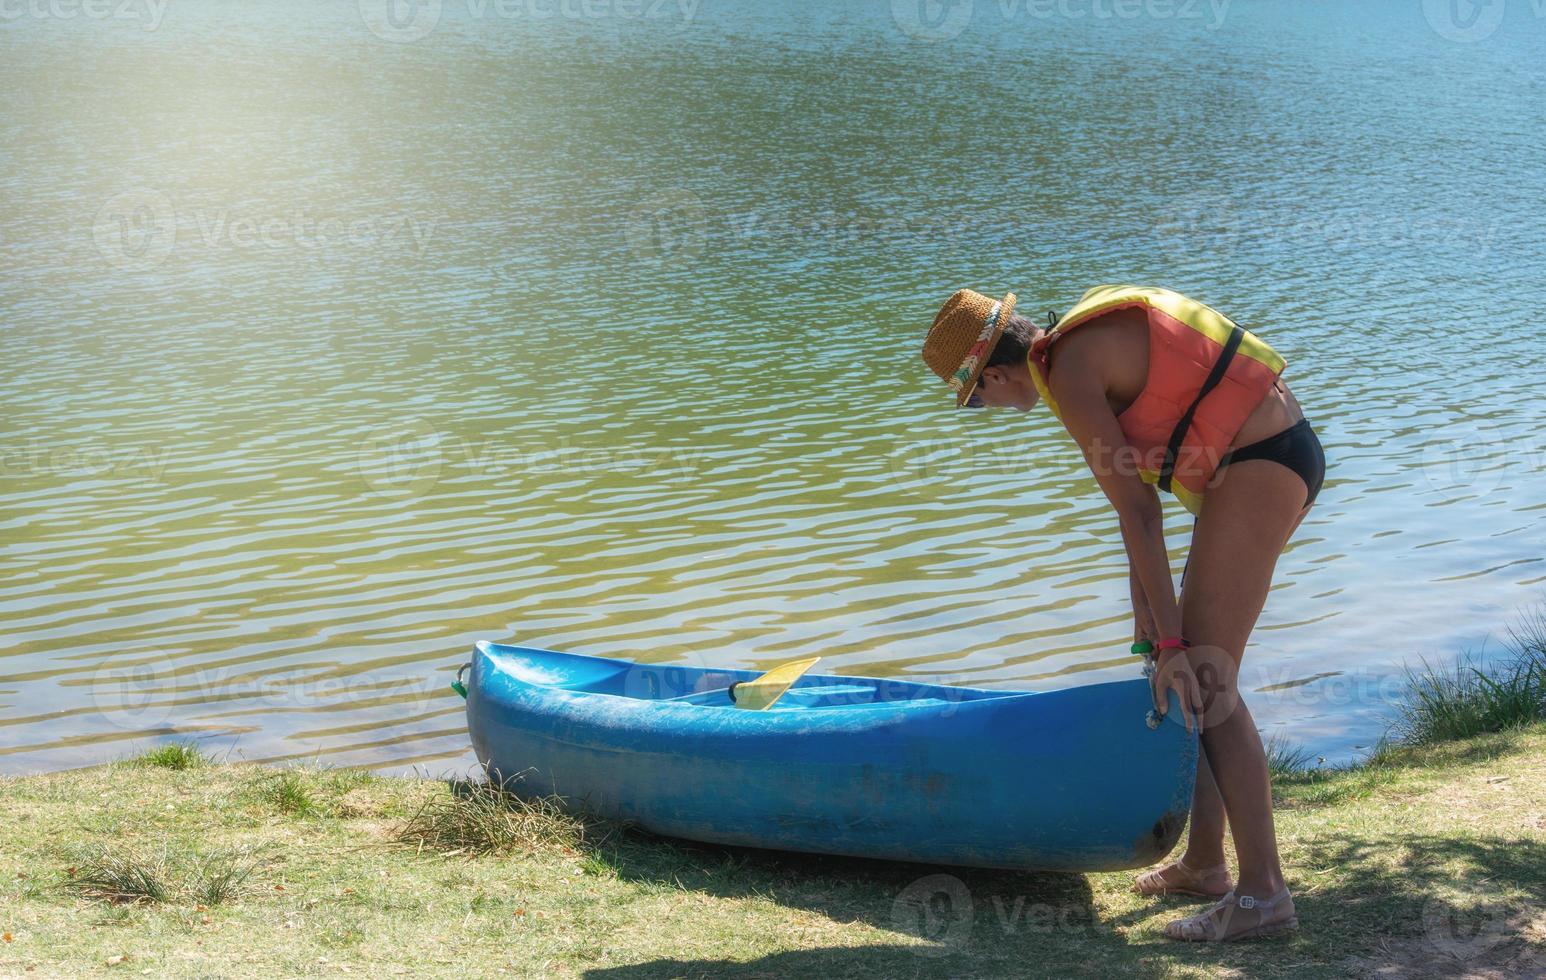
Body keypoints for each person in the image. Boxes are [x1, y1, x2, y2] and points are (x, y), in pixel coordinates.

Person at [919, 285, 1326, 942]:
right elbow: (1134, 498)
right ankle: (1203, 864)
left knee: (1208, 677)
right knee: (1198, 671)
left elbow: (1141, 511)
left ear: (992, 373)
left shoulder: (1072, 373)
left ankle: (1264, 897)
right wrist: (1150, 615)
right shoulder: (1073, 359)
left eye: (974, 398)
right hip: (1263, 458)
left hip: (1260, 463)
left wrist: (1168, 643)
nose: (986, 408)